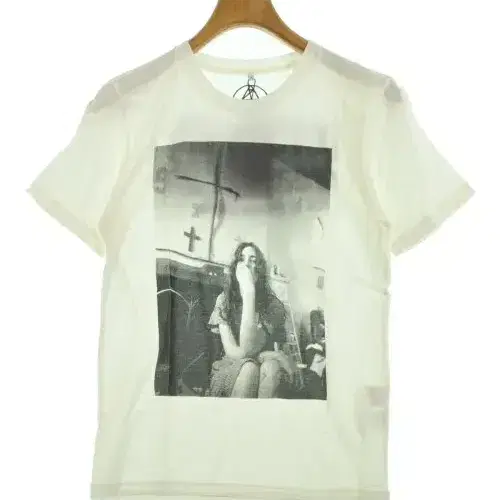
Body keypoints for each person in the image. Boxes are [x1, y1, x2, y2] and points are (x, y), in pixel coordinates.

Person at [207, 242, 295, 398]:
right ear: (235, 267)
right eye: (241, 259)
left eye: (253, 260)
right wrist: (248, 291)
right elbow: (236, 352)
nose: (246, 264)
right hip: (232, 364)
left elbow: (251, 347)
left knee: (271, 369)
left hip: (265, 363)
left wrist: (249, 292)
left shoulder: (273, 305)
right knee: (249, 368)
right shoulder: (223, 300)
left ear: (259, 269)